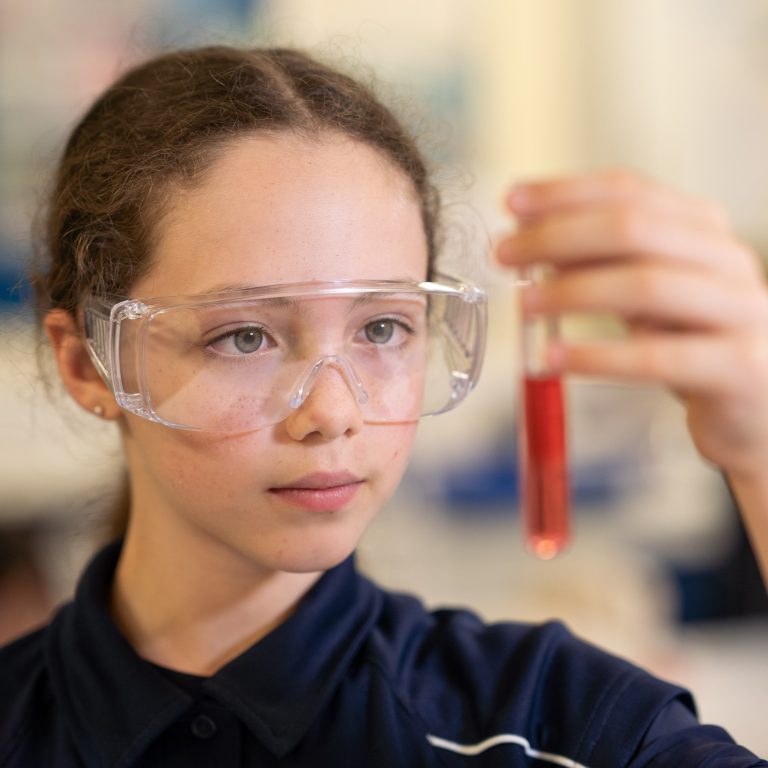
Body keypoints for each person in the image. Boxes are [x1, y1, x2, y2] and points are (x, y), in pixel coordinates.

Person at [1, 45, 766, 768]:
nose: (332, 412)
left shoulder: (550, 722)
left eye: (381, 327)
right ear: (86, 364)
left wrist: (760, 450)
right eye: (242, 337)